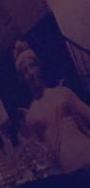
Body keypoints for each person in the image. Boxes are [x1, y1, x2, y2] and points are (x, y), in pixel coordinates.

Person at [14, 39, 90, 172]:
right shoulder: (31, 116)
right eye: (25, 71)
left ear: (39, 67)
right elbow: (42, 155)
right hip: (69, 171)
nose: (31, 73)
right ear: (22, 79)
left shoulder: (63, 93)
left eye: (32, 66)